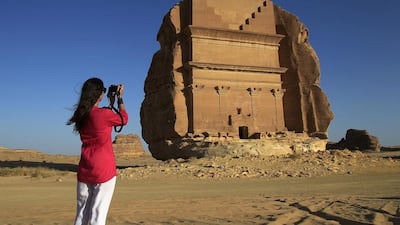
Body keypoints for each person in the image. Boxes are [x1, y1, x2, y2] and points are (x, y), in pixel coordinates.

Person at [67, 77, 128, 225]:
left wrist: (109, 104)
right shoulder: (104, 115)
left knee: (81, 215)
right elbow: (123, 119)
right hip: (104, 170)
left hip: (85, 169)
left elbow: (99, 115)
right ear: (99, 94)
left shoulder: (80, 114)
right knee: (97, 216)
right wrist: (120, 99)